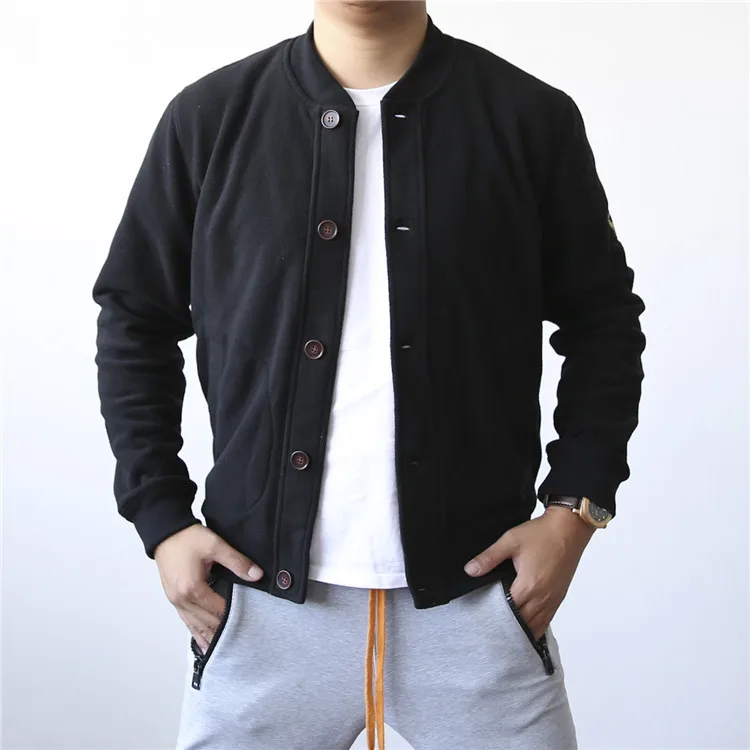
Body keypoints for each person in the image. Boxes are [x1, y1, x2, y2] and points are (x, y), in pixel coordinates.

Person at [92, 2, 646, 748]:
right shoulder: (210, 118)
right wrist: (162, 521)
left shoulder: (529, 117)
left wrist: (575, 510)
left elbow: (604, 322)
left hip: (480, 603)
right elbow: (134, 318)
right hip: (261, 604)